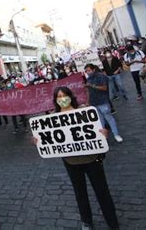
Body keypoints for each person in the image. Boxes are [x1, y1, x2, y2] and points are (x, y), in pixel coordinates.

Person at [46, 87, 119, 230]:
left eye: (64, 95)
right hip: (71, 162)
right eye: (59, 97)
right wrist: (39, 141)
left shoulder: (84, 111)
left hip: (92, 160)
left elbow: (97, 129)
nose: (62, 99)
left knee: (102, 192)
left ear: (70, 96)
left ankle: (113, 223)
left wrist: (103, 133)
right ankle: (86, 221)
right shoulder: (52, 119)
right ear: (56, 100)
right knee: (80, 193)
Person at [84, 64, 123, 143]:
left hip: (102, 101)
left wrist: (91, 85)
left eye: (89, 70)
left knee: (109, 118)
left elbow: (104, 88)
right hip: (94, 102)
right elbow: (88, 91)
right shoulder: (88, 79)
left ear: (93, 69)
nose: (88, 72)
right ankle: (104, 136)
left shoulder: (100, 76)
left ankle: (116, 134)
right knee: (100, 120)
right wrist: (88, 102)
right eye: (86, 71)